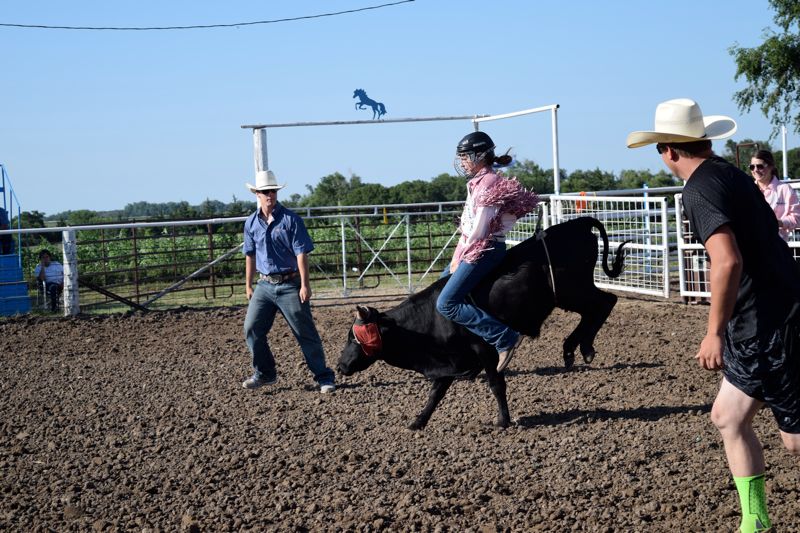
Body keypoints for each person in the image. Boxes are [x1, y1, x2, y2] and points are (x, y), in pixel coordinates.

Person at [627, 98, 800, 533]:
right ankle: (755, 521)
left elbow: (726, 261)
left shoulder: (699, 190)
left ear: (667, 150)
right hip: (764, 317)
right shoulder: (729, 175)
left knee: (796, 440)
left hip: (771, 323)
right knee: (728, 416)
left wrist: (712, 332)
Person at [436, 131, 538, 373]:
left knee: (446, 303)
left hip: (483, 250)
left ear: (479, 156)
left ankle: (504, 338)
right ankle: (466, 349)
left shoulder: (489, 183)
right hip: (475, 248)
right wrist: (456, 257)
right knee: (440, 288)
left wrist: (460, 257)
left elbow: (480, 230)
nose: (461, 162)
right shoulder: (479, 182)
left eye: (465, 157)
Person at [240, 169, 336, 393]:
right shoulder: (251, 223)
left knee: (304, 332)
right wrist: (248, 284)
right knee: (251, 328)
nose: (269, 195)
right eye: (265, 192)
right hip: (264, 285)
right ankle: (265, 374)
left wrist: (305, 284)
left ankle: (324, 376)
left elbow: (301, 253)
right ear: (257, 194)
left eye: (272, 191)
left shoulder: (291, 220)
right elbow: (250, 255)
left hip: (289, 283)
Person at [750, 149, 800, 241]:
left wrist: (779, 223)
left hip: (777, 245)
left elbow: (797, 218)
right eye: (752, 167)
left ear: (771, 167)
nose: (755, 170)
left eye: (760, 166)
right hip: (752, 245)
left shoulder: (785, 189)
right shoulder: (747, 189)